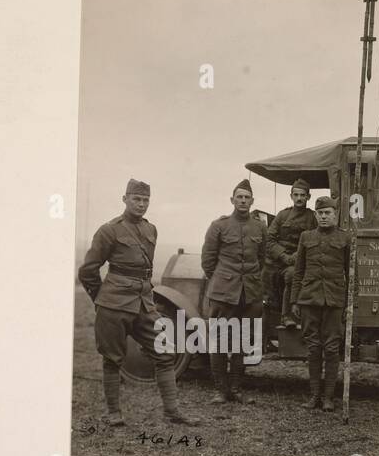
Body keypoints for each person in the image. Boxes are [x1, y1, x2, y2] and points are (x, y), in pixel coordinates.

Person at [77, 178, 199, 427]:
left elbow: (145, 269)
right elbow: (88, 270)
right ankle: (113, 413)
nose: (141, 204)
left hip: (144, 303)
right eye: (136, 199)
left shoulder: (150, 229)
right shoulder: (109, 230)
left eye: (145, 200)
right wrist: (102, 299)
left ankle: (172, 411)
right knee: (112, 358)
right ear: (125, 199)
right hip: (113, 304)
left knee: (165, 352)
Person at [201, 178, 268, 405]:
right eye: (239, 197)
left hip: (249, 294)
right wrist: (222, 281)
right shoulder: (218, 226)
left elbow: (262, 258)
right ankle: (221, 390)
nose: (243, 200)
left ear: (252, 201)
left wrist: (251, 280)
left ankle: (236, 389)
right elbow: (208, 261)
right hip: (223, 294)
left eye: (247, 197)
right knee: (219, 341)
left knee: (242, 342)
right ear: (232, 200)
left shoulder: (259, 227)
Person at [293, 196, 351, 411]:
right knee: (313, 348)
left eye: (328, 213)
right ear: (316, 215)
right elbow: (298, 271)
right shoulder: (306, 237)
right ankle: (314, 396)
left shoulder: (345, 238)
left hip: (334, 300)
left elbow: (351, 273)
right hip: (309, 299)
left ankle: (328, 398)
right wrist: (295, 300)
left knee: (332, 349)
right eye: (320, 213)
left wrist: (349, 304)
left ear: (335, 215)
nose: (324, 216)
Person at [265, 179, 317, 327]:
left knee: (293, 275)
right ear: (291, 196)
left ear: (308, 197)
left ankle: (287, 316)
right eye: (296, 195)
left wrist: (299, 256)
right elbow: (269, 240)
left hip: (301, 262)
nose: (299, 198)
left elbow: (316, 239)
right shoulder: (282, 215)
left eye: (302, 195)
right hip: (279, 261)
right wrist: (283, 256)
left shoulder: (313, 218)